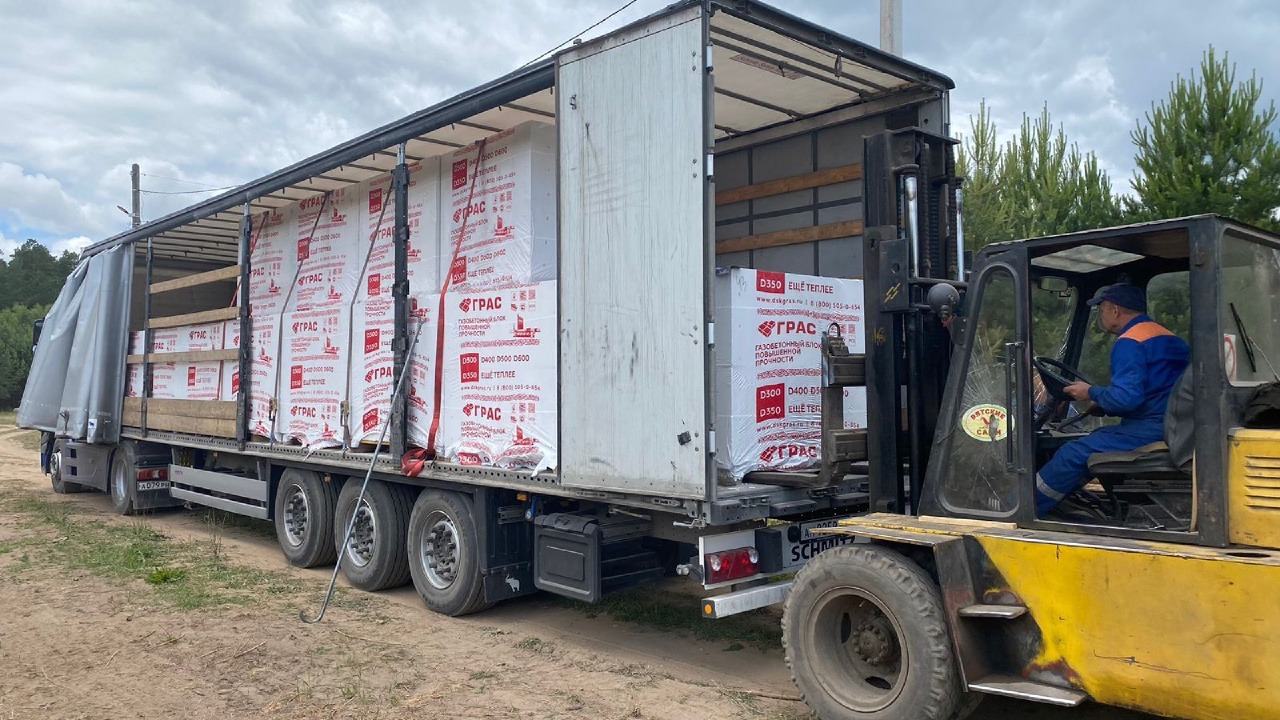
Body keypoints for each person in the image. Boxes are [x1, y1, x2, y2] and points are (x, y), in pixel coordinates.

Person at [1035, 283, 1190, 514]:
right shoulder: (1169, 338)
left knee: (1072, 453)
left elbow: (1127, 399)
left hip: (1150, 429)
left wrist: (1090, 392)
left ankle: (1027, 507)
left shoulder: (1130, 341)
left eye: (1101, 310)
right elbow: (1155, 389)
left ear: (1115, 310)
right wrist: (1104, 405)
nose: (1101, 316)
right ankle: (1064, 504)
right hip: (1177, 425)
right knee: (1095, 438)